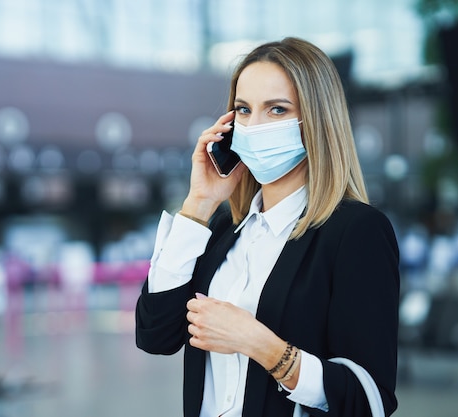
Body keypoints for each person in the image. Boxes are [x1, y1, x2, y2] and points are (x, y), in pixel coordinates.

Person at [135, 37, 400, 417]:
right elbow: (155, 335)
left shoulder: (356, 232)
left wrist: (263, 345)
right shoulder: (224, 228)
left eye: (276, 110)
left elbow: (369, 399)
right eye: (243, 110)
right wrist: (199, 205)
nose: (254, 126)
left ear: (317, 120)